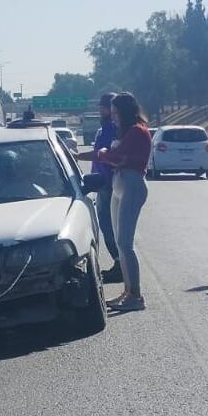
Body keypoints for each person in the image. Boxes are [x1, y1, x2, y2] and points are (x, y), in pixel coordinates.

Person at [95, 92, 152, 312]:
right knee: (120, 243)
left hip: (131, 185)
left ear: (125, 111)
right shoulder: (126, 131)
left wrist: (103, 153)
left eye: (116, 112)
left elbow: (116, 156)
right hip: (119, 185)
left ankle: (136, 295)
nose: (113, 116)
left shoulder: (138, 131)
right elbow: (110, 155)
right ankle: (128, 291)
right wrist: (88, 155)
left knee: (126, 244)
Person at [73, 93, 123, 283]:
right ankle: (119, 263)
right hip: (102, 183)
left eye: (104, 106)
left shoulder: (113, 128)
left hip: (108, 183)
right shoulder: (104, 128)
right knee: (107, 225)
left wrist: (78, 156)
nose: (101, 109)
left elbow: (102, 154)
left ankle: (120, 264)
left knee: (110, 226)